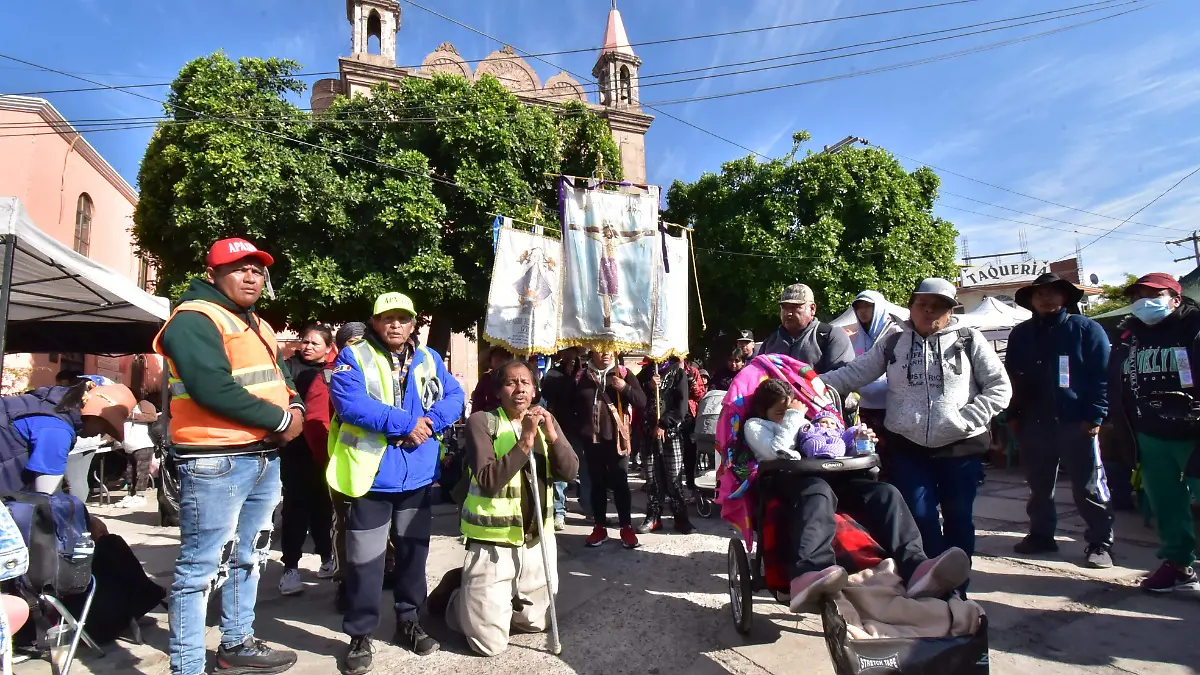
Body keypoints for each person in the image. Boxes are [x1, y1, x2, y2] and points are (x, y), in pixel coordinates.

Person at [153, 237, 303, 675]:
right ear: (213, 274)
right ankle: (186, 666)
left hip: (260, 458)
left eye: (258, 269)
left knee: (250, 555)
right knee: (200, 569)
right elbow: (211, 388)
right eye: (240, 268)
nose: (252, 276)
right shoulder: (195, 318)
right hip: (215, 460)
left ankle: (236, 643)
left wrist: (292, 406)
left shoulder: (256, 323)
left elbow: (282, 376)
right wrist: (280, 422)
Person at [821, 278, 1011, 561]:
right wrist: (802, 383)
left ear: (950, 311)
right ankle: (933, 578)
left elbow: (1000, 387)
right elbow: (852, 374)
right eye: (922, 304)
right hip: (908, 447)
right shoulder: (893, 341)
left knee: (959, 519)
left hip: (960, 446)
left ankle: (958, 589)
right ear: (910, 307)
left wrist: (968, 419)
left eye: (938, 306)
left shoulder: (969, 339)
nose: (929, 311)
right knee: (919, 517)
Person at [741, 379, 971, 612]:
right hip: (787, 482)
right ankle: (809, 570)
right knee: (818, 491)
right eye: (779, 412)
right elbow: (778, 451)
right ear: (764, 411)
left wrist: (858, 440)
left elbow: (828, 445)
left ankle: (914, 565)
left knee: (885, 493)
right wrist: (793, 417)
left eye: (789, 409)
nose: (787, 414)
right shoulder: (756, 426)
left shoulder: (805, 421)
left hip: (827, 478)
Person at [328, 292, 465, 671]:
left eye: (402, 318)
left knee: (413, 556)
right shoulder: (352, 357)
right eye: (387, 318)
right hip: (371, 477)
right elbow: (350, 403)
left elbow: (454, 397)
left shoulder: (429, 358)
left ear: (412, 323)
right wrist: (407, 424)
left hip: (417, 477)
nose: (395, 325)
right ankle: (359, 635)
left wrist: (431, 423)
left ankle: (409, 621)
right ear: (374, 322)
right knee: (365, 563)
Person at [424, 360, 579, 657]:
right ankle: (458, 597)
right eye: (511, 382)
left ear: (534, 389)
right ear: (499, 391)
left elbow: (570, 471)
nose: (519, 388)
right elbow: (488, 481)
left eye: (525, 382)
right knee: (489, 645)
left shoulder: (547, 420)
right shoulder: (482, 422)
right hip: (493, 542)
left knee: (537, 623)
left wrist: (552, 434)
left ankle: (496, 599)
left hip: (536, 540)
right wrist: (525, 440)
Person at [1007, 273, 1114, 568]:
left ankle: (1100, 542)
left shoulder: (1086, 329)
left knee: (1088, 486)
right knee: (1039, 486)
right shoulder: (1021, 334)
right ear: (1031, 300)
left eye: (1053, 292)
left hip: (1076, 421)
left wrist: (1095, 415)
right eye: (1039, 293)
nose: (1046, 298)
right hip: (1033, 422)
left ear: (1065, 297)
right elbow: (1011, 379)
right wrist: (1013, 415)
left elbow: (1103, 376)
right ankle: (1041, 536)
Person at [1107, 273, 1200, 593]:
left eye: (1153, 294)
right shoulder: (1129, 336)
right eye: (1138, 295)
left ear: (1175, 298)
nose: (1144, 300)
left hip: (1193, 432)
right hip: (1150, 433)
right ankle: (1178, 566)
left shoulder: (1195, 327)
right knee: (1166, 504)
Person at [302, 322, 374, 614]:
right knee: (345, 525)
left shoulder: (378, 371)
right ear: (340, 347)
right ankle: (345, 581)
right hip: (344, 466)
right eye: (353, 343)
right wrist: (329, 459)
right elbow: (316, 423)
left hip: (378, 465)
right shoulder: (329, 375)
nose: (359, 350)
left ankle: (384, 572)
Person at [278, 323, 338, 597]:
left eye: (316, 343)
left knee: (324, 507)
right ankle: (290, 567)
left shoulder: (335, 371)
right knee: (295, 508)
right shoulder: (288, 368)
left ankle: (327, 557)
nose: (309, 346)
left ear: (328, 347)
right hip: (296, 449)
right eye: (306, 341)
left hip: (326, 449)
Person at [0, 381, 135, 494]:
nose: (100, 434)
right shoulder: (58, 431)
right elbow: (42, 499)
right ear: (95, 416)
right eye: (105, 427)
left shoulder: (49, 404)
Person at [570, 350, 647, 549]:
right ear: (592, 351)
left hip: (617, 441)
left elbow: (642, 401)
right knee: (597, 485)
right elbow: (572, 406)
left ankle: (626, 527)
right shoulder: (581, 376)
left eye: (608, 348)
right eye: (600, 348)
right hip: (592, 441)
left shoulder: (623, 373)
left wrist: (626, 388)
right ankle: (599, 527)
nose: (604, 353)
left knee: (620, 484)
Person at [636, 358, 695, 534]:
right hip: (648, 433)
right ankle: (654, 516)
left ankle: (680, 518)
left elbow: (682, 405)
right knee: (652, 477)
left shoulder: (678, 372)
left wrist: (664, 423)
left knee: (673, 477)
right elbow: (637, 397)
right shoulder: (647, 372)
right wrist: (648, 386)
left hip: (671, 434)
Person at [846, 291, 903, 467]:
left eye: (868, 307)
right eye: (859, 307)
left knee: (895, 455)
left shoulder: (897, 334)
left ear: (878, 308)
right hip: (865, 409)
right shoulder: (856, 338)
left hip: (893, 408)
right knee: (870, 454)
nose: (863, 311)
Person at [759, 284, 856, 374]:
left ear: (812, 309)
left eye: (795, 307)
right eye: (784, 308)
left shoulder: (831, 335)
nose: (788, 313)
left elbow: (842, 377)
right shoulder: (770, 342)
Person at [541, 348, 583, 528]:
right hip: (560, 429)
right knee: (560, 472)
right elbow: (547, 395)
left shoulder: (584, 373)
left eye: (574, 354)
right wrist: (566, 377)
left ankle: (589, 507)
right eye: (568, 353)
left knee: (584, 471)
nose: (571, 357)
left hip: (581, 429)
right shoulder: (552, 374)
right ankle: (559, 511)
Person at [114, 397, 159, 509]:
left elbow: (152, 417)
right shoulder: (122, 410)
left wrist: (132, 416)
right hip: (129, 446)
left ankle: (140, 496)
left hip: (143, 443)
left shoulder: (143, 403)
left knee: (141, 471)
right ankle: (131, 494)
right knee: (130, 472)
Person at [469, 347, 512, 415]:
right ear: (490, 360)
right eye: (495, 356)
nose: (498, 358)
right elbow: (477, 403)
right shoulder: (485, 378)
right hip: (490, 417)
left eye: (502, 355)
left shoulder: (513, 377)